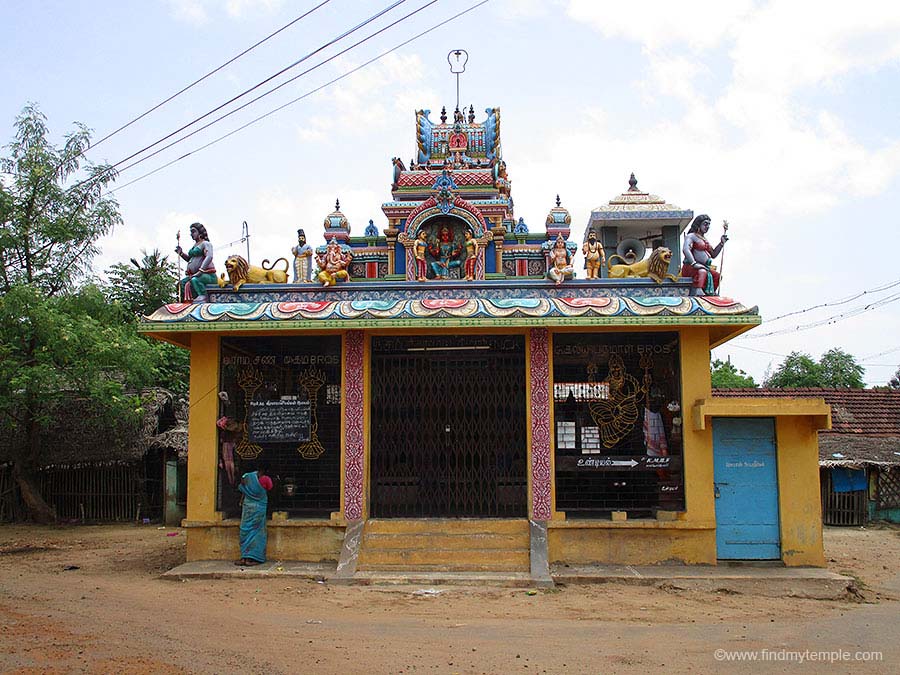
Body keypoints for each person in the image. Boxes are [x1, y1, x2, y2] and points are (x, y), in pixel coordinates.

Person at [235, 462, 273, 566]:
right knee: (257, 532)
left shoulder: (246, 477)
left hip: (247, 508)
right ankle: (253, 558)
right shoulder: (266, 479)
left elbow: (242, 489)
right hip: (259, 508)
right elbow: (269, 488)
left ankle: (244, 557)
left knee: (245, 531)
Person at [681, 214, 728, 295]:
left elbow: (713, 254)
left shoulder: (704, 240)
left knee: (717, 276)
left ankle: (711, 293)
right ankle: (698, 291)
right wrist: (694, 263)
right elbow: (686, 249)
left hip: (704, 267)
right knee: (702, 271)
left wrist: (721, 243)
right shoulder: (691, 236)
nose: (707, 227)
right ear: (698, 224)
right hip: (690, 267)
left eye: (709, 225)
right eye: (705, 224)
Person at [175, 222, 216, 302]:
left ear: (200, 232)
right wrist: (181, 253)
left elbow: (209, 256)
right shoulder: (194, 246)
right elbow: (190, 259)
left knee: (195, 280)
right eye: (191, 232)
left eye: (193, 231)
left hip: (207, 275)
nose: (191, 234)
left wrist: (201, 271)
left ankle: (203, 296)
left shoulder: (206, 244)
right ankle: (186, 301)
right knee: (181, 284)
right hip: (194, 275)